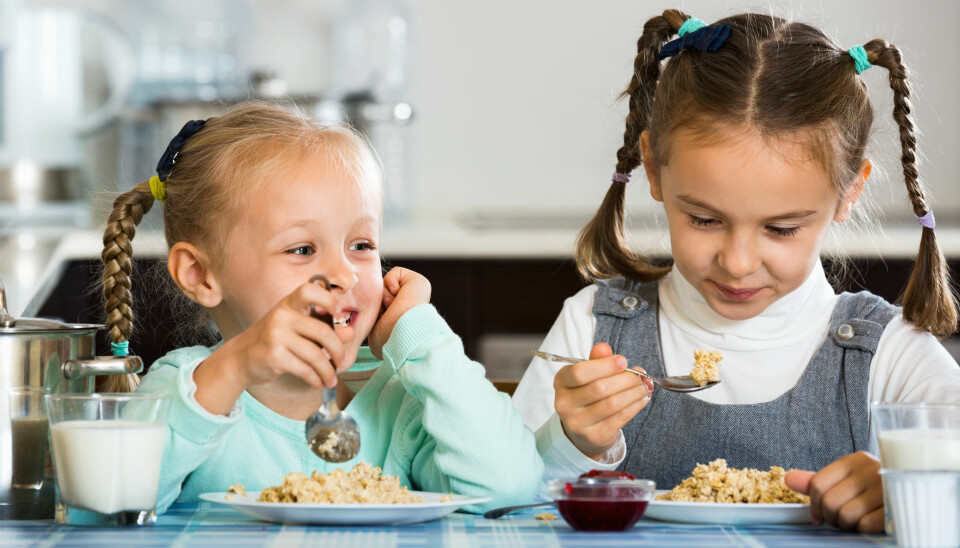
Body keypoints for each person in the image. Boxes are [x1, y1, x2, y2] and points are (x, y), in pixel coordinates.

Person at [512, 9, 960, 533]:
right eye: (703, 219)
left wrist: (904, 486)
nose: (738, 262)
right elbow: (505, 496)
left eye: (782, 229)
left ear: (849, 192)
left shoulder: (888, 353)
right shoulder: (595, 323)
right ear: (653, 169)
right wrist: (572, 444)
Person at [99, 102, 542, 513]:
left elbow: (509, 486)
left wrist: (420, 339)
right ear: (199, 274)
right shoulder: (186, 390)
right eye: (302, 249)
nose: (344, 274)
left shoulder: (402, 401)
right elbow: (110, 498)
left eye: (362, 245)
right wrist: (234, 367)